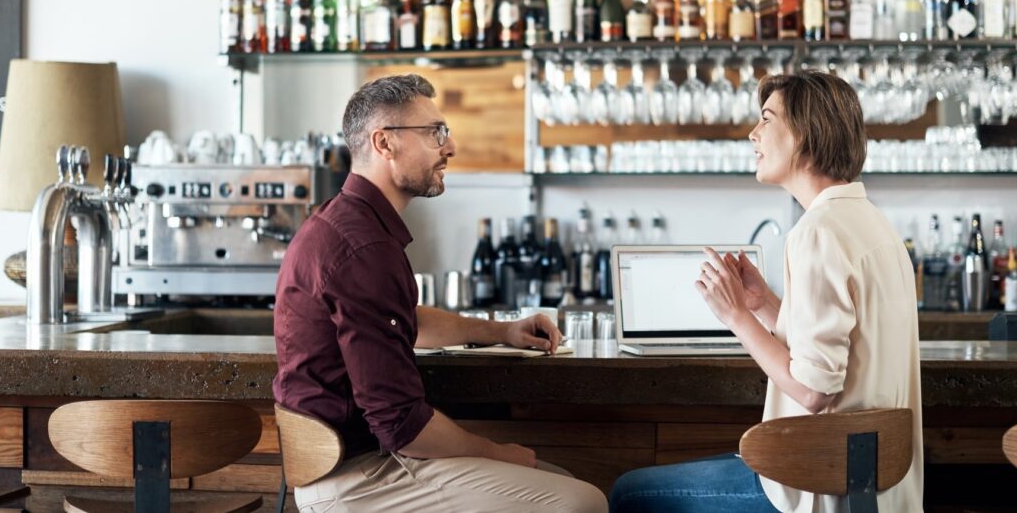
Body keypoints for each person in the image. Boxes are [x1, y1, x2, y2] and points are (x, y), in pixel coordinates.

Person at [273, 74, 607, 512]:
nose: (449, 147)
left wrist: (502, 331)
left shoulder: (344, 222)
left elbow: (404, 320)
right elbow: (401, 425)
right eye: (434, 133)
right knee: (582, 502)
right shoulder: (366, 248)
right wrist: (494, 451)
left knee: (558, 480)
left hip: (351, 463)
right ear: (385, 143)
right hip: (358, 477)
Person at [609, 71, 923, 512]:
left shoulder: (817, 232)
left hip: (817, 487)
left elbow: (815, 391)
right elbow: (841, 351)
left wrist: (736, 316)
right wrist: (766, 307)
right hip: (878, 489)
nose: (752, 134)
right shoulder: (871, 223)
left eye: (766, 119)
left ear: (805, 134)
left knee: (629, 492)